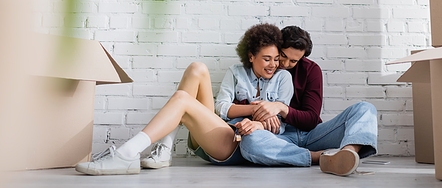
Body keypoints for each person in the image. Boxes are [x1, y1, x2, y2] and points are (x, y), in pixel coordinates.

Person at [75, 23, 293, 175]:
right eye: (266, 59)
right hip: (218, 132)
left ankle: (128, 153)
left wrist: (265, 113)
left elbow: (279, 123)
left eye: (276, 59)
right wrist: (260, 109)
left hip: (236, 144)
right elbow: (222, 109)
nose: (273, 64)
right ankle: (164, 150)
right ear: (251, 56)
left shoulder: (283, 78)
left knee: (182, 98)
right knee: (196, 68)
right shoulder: (236, 72)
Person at [239, 26, 378, 176]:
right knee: (250, 142)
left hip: (312, 134)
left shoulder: (311, 70)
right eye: (283, 55)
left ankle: (347, 155)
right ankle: (320, 157)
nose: (284, 64)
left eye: (293, 61)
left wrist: (282, 108)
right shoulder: (261, 67)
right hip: (277, 137)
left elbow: (311, 119)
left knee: (365, 108)